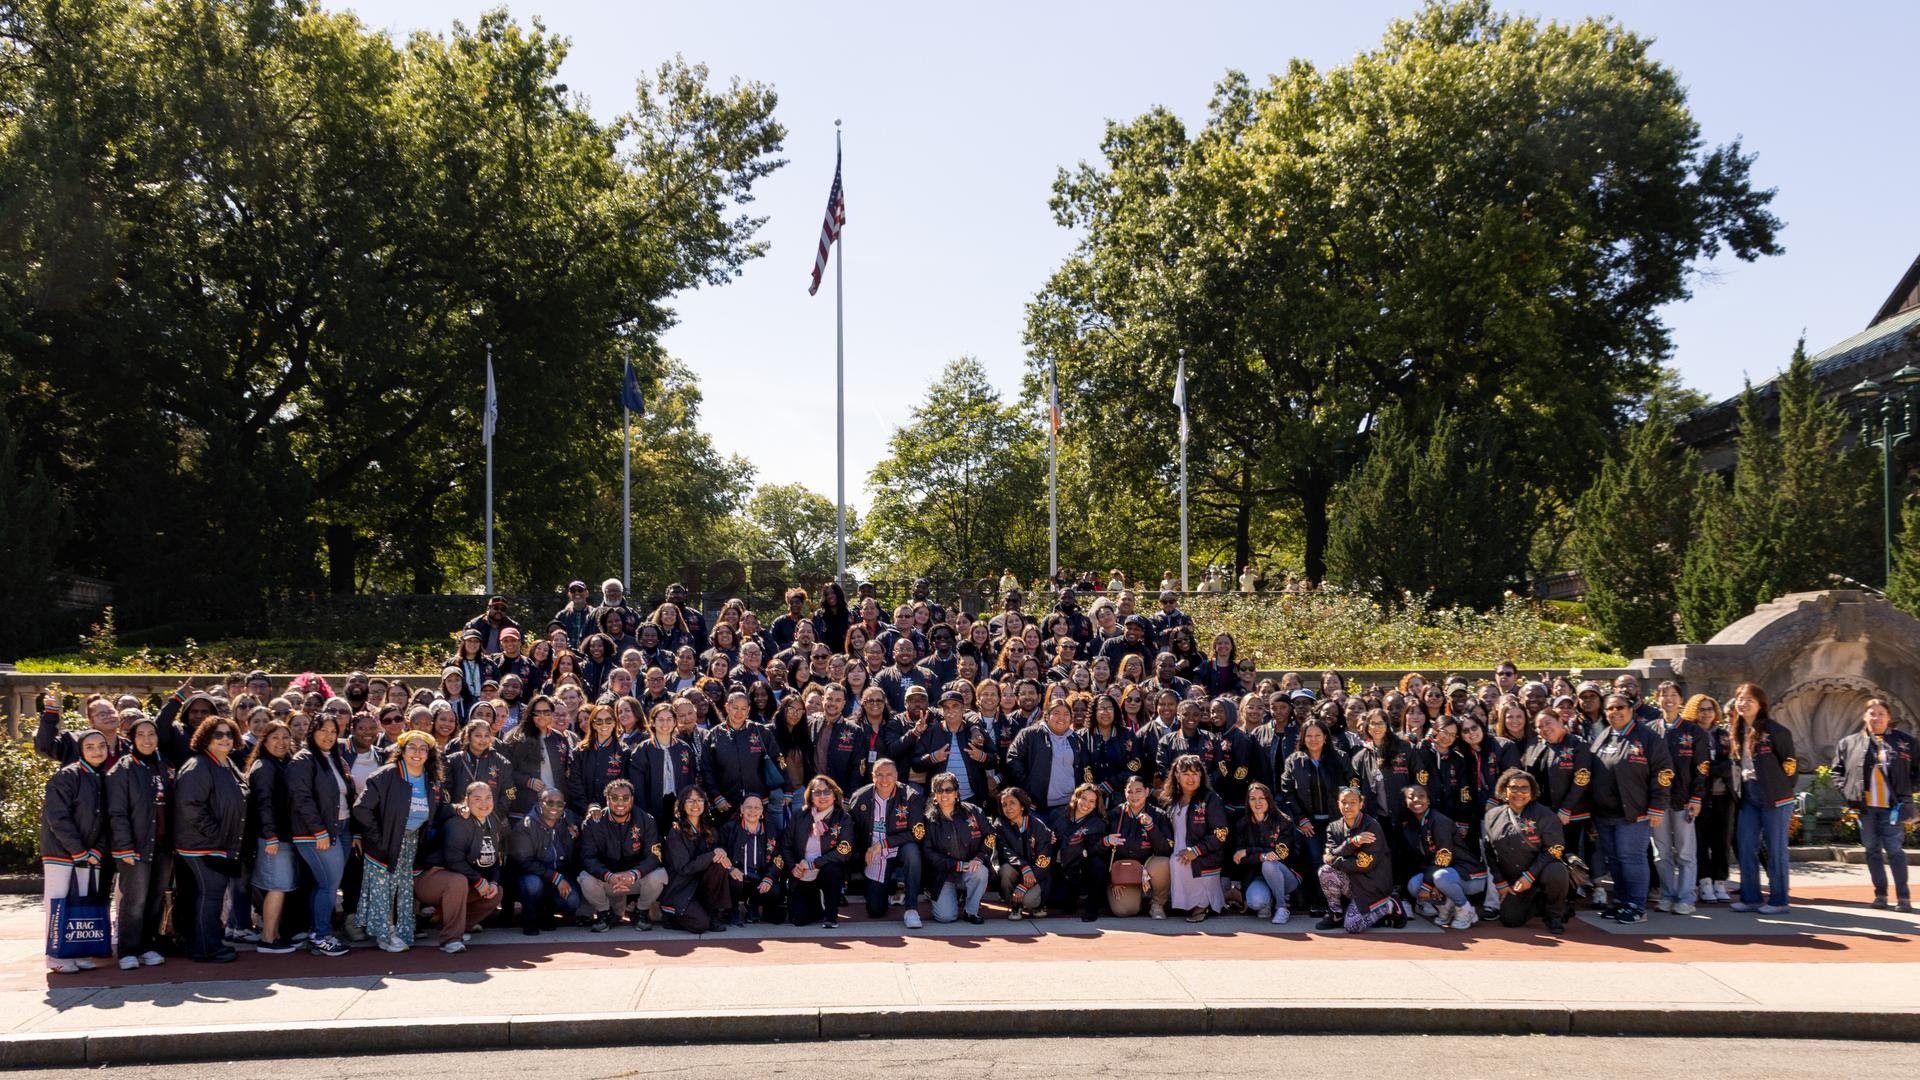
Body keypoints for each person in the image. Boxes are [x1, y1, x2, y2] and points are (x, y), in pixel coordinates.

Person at [353, 730, 443, 953]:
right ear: (401, 751)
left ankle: (402, 930)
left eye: (423, 749)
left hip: (411, 841)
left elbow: (439, 809)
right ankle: (384, 934)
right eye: (412, 747)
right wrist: (379, 838)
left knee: (403, 887)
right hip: (384, 844)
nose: (417, 753)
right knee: (383, 890)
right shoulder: (385, 776)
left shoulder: (430, 779)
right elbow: (361, 809)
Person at [1586, 692, 1672, 924]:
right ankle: (1623, 902)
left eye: (1620, 707)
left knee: (1631, 858)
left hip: (1635, 811)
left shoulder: (1648, 737)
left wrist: (1657, 806)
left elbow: (1663, 772)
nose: (1615, 712)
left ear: (1631, 709)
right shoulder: (1604, 736)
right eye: (1610, 708)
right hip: (1605, 813)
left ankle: (1637, 905)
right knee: (1614, 860)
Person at [173, 716, 247, 963]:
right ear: (205, 737)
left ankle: (207, 942)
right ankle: (207, 948)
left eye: (228, 734)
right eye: (218, 734)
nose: (224, 738)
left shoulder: (226, 763)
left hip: (220, 846)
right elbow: (189, 806)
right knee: (210, 895)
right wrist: (217, 835)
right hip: (202, 847)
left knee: (212, 895)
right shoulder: (198, 766)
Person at [1831, 698, 1912, 911]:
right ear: (1864, 716)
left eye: (1881, 714)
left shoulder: (1904, 741)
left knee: (1894, 850)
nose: (1876, 718)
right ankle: (1881, 896)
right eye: (1872, 714)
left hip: (1892, 808)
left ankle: (1903, 897)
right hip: (1865, 808)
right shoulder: (1848, 743)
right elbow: (1836, 772)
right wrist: (1847, 790)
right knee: (1872, 850)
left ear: (1889, 718)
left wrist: (1907, 788)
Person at [107, 715, 173, 969]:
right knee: (135, 899)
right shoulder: (122, 769)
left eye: (152, 734)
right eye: (141, 735)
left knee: (155, 898)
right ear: (132, 739)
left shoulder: (163, 765)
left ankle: (148, 946)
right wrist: (124, 846)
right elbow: (117, 813)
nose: (147, 739)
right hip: (134, 846)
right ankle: (127, 950)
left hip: (163, 845)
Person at [41, 729, 110, 974]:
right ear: (80, 750)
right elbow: (57, 817)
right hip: (61, 852)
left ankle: (78, 951)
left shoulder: (103, 777)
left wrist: (98, 850)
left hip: (90, 855)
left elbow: (106, 821)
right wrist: (78, 850)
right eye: (89, 746)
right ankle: (55, 955)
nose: (97, 751)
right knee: (58, 903)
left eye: (101, 745)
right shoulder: (67, 775)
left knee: (83, 903)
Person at [286, 714, 354, 957]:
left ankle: (317, 931)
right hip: (316, 833)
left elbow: (344, 795)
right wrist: (319, 831)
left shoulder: (334, 758)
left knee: (326, 884)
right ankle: (320, 936)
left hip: (342, 829)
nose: (328, 736)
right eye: (323, 730)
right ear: (312, 732)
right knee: (328, 885)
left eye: (333, 732)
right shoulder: (303, 759)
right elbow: (301, 799)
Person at [1728, 684, 1795, 914]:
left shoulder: (1776, 731)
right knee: (1746, 845)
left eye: (1749, 700)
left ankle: (1779, 900)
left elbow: (1790, 765)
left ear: (1760, 704)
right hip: (1747, 795)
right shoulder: (1736, 730)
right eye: (1739, 699)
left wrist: (1779, 788)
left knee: (1775, 849)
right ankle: (1751, 897)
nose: (1743, 703)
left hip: (1775, 796)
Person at [1481, 768, 1572, 932]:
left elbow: (1555, 849)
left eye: (1524, 788)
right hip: (1515, 881)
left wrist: (1529, 876)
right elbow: (1488, 851)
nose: (1519, 792)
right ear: (1504, 790)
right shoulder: (1492, 815)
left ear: (1533, 791)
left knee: (1557, 871)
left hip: (1541, 872)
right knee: (1510, 920)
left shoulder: (1545, 815)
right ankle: (1540, 903)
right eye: (1513, 787)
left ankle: (1554, 915)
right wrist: (1500, 882)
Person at [421, 782, 505, 953]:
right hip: (429, 878)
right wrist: (478, 881)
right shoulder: (458, 822)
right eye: (477, 799)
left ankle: (454, 924)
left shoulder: (493, 820)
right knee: (457, 881)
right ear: (466, 800)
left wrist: (493, 882)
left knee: (497, 892)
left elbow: (496, 857)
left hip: (460, 879)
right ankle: (450, 939)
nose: (484, 803)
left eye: (488, 797)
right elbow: (453, 860)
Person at [579, 778, 669, 931]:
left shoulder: (646, 820)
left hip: (634, 879)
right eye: (614, 798)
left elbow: (654, 857)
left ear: (632, 799)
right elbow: (588, 858)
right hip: (608, 879)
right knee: (585, 878)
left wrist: (633, 874)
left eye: (625, 798)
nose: (620, 802)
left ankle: (641, 912)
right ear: (607, 800)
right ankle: (604, 914)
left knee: (660, 875)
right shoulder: (592, 823)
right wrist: (608, 876)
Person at [847, 759, 927, 928]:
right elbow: (852, 832)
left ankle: (911, 908)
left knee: (913, 852)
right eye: (879, 775)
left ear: (897, 776)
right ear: (872, 776)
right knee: (875, 911)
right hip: (874, 855)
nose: (884, 780)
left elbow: (917, 834)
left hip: (900, 849)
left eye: (889, 775)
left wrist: (883, 843)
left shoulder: (911, 796)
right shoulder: (860, 797)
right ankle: (886, 891)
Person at [1316, 786, 1402, 933]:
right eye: (1344, 802)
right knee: (1325, 871)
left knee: (1352, 926)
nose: (1348, 806)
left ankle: (1390, 905)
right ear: (1338, 804)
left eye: (1353, 802)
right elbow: (1332, 851)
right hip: (1352, 881)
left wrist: (1334, 860)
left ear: (1361, 804)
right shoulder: (1333, 827)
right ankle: (1336, 913)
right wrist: (1352, 843)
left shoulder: (1371, 826)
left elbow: (1363, 865)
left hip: (1372, 884)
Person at [1397, 784, 1481, 930]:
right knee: (1413, 885)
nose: (1417, 799)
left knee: (1439, 877)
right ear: (1405, 803)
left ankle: (1466, 909)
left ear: (1429, 800)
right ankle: (1446, 908)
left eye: (1421, 796)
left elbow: (1444, 857)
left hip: (1468, 874)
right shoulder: (1410, 826)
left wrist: (1428, 885)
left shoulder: (1440, 821)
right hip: (1440, 874)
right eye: (1411, 797)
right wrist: (1429, 884)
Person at [1655, 691, 1708, 915]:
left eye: (1674, 695)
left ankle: (1686, 897)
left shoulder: (1693, 731)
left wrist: (1697, 796)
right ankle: (1667, 895)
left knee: (1686, 852)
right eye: (1664, 695)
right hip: (1657, 801)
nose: (1669, 699)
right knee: (1662, 852)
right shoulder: (1649, 729)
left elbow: (1702, 766)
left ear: (1681, 700)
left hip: (1684, 800)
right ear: (1657, 699)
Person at [1160, 753, 1228, 923]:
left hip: (1204, 855)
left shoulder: (1211, 799)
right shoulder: (1171, 799)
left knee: (1187, 868)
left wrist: (1196, 850)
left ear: (1201, 776)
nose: (1191, 778)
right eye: (1186, 774)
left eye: (1195, 773)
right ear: (1177, 775)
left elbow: (1221, 833)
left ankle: (1204, 905)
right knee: (1175, 864)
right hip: (1177, 851)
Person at [509, 790, 584, 935]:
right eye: (549, 802)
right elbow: (524, 862)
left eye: (559, 803)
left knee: (573, 901)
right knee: (533, 885)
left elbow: (587, 826)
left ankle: (547, 908)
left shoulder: (569, 818)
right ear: (540, 804)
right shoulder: (525, 826)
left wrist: (594, 810)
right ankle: (530, 916)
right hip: (531, 875)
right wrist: (555, 878)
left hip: (559, 874)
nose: (554, 807)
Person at [783, 775, 853, 928]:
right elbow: (786, 846)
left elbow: (844, 851)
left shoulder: (843, 818)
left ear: (834, 795)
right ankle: (815, 900)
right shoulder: (799, 816)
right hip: (802, 872)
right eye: (817, 792)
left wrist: (814, 864)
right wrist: (793, 866)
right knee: (798, 920)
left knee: (832, 870)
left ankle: (830, 916)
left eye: (827, 792)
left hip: (825, 871)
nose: (822, 796)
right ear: (810, 796)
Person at [660, 786, 733, 932]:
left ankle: (713, 912)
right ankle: (670, 916)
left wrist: (721, 852)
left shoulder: (709, 828)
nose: (696, 805)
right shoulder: (676, 831)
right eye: (690, 801)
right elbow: (684, 868)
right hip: (682, 888)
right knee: (700, 925)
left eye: (700, 800)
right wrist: (712, 855)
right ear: (682, 804)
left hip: (701, 886)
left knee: (720, 865)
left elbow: (719, 848)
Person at [922, 771, 991, 924]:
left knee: (981, 872)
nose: (944, 794)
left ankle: (970, 911)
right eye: (939, 790)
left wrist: (978, 858)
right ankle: (938, 893)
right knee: (945, 917)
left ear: (957, 793)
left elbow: (990, 837)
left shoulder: (973, 811)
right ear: (934, 795)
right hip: (943, 875)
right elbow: (927, 852)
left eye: (948, 790)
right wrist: (957, 865)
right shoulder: (928, 819)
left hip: (970, 868)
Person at [1232, 782, 1301, 925]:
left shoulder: (1283, 821)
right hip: (1257, 876)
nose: (1257, 802)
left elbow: (1282, 853)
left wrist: (1249, 851)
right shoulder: (1242, 824)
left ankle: (1281, 907)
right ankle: (1267, 901)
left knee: (1269, 864)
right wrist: (1260, 856)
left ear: (1268, 799)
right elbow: (1239, 858)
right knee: (1256, 902)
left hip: (1285, 874)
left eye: (1261, 798)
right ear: (1248, 802)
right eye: (1252, 798)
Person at [991, 787, 1056, 921]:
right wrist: (1024, 867)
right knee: (1005, 870)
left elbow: (1044, 861)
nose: (1008, 808)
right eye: (1004, 804)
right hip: (1017, 870)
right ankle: (1015, 906)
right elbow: (1005, 851)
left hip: (1038, 874)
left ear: (1022, 805)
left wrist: (1024, 884)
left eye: (1012, 803)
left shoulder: (1038, 826)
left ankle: (1037, 905)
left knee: (1029, 900)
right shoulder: (1000, 824)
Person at [501, 695, 570, 819]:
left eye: (546, 712)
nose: (542, 716)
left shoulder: (559, 738)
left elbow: (565, 773)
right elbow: (506, 772)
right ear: (530, 714)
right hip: (526, 805)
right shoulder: (516, 738)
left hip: (554, 804)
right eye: (537, 712)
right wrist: (527, 781)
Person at [721, 793, 783, 925]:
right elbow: (720, 851)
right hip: (737, 877)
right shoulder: (729, 828)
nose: (753, 811)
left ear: (762, 811)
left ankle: (753, 904)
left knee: (775, 890)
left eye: (757, 807)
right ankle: (733, 910)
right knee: (734, 881)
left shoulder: (770, 829)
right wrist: (730, 869)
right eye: (748, 807)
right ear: (742, 809)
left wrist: (769, 878)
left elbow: (778, 856)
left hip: (759, 877)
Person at [1054, 782, 1108, 921]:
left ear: (1096, 805)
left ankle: (1092, 907)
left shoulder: (1097, 823)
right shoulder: (1059, 814)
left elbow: (1095, 850)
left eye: (1091, 801)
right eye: (1083, 798)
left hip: (1080, 868)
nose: (1086, 804)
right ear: (1076, 797)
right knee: (1058, 902)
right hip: (1058, 868)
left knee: (1098, 864)